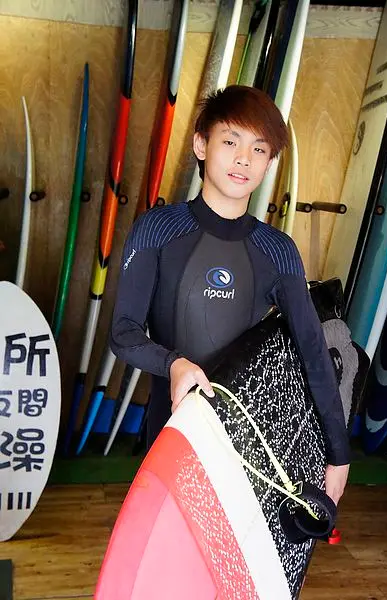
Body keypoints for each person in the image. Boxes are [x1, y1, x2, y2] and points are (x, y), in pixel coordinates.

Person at [110, 85, 350, 505]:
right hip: (170, 435)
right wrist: (174, 363)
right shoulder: (158, 229)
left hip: (247, 449)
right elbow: (123, 332)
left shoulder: (277, 251)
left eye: (259, 149)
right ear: (201, 145)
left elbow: (313, 351)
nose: (244, 159)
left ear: (269, 163)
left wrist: (339, 455)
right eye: (230, 141)